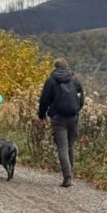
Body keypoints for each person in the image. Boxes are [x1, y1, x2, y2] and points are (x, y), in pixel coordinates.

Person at [37, 58, 84, 187]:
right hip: (73, 117)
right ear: (67, 66)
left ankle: (67, 178)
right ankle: (70, 173)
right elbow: (81, 99)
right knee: (70, 145)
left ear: (55, 67)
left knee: (62, 147)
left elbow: (44, 100)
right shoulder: (75, 79)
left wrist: (41, 115)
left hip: (58, 118)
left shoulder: (51, 80)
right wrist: (76, 110)